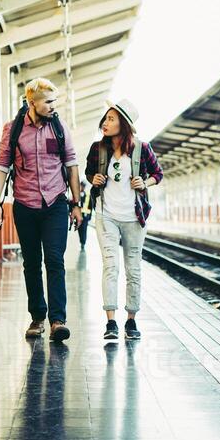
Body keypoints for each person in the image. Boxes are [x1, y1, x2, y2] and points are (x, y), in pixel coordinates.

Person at [0, 77, 83, 342]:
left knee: (54, 260)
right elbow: (2, 166)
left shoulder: (60, 128)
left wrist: (75, 204)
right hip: (25, 205)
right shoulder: (13, 129)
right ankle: (37, 317)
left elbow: (71, 166)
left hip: (55, 203)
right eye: (49, 101)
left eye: (55, 100)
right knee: (31, 263)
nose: (54, 106)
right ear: (32, 102)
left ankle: (58, 320)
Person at [85, 99, 163, 342]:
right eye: (105, 118)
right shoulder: (97, 148)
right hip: (105, 214)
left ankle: (131, 320)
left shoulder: (142, 148)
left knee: (133, 269)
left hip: (134, 217)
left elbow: (157, 174)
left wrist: (144, 182)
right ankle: (110, 322)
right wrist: (94, 179)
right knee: (111, 266)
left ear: (124, 124)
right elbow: (89, 172)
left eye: (111, 119)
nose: (105, 123)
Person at [77, 180, 91, 250]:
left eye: (83, 186)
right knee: (79, 229)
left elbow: (91, 206)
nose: (82, 187)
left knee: (84, 229)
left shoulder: (88, 195)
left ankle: (83, 242)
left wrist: (89, 217)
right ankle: (81, 241)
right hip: (79, 215)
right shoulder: (77, 195)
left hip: (85, 216)